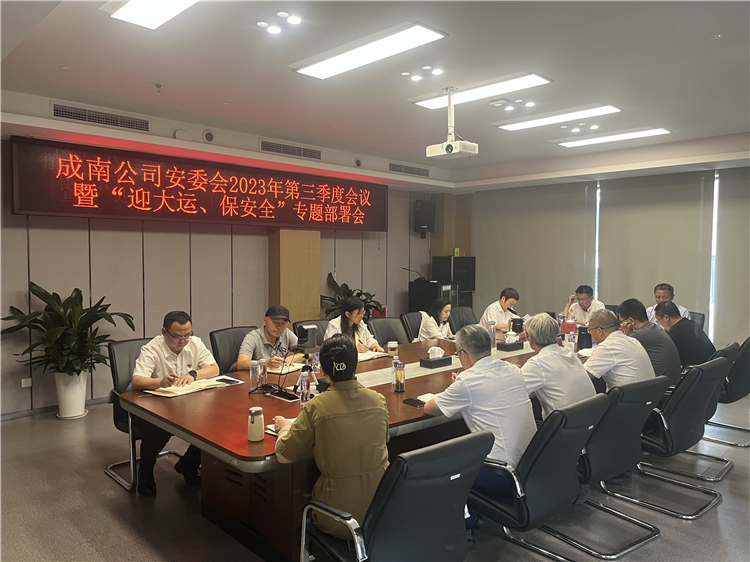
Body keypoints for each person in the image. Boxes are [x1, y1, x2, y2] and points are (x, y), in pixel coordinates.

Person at [423, 324, 536, 543]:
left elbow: (430, 408)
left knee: (443, 463)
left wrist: (460, 386)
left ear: (463, 354)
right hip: (532, 466)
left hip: (504, 476)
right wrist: (463, 385)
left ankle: (467, 522)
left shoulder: (468, 381)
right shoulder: (513, 370)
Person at [273, 334, 389, 538]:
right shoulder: (378, 401)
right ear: (355, 366)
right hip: (382, 509)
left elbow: (283, 456)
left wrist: (284, 428)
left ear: (323, 371)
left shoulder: (316, 407)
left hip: (338, 518)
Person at [131, 311, 219, 497]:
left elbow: (214, 368)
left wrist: (193, 374)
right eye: (178, 336)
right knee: (158, 430)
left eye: (188, 334)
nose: (184, 340)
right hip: (158, 406)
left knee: (212, 426)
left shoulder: (195, 343)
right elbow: (137, 381)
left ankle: (188, 464)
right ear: (164, 332)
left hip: (189, 403)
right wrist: (160, 382)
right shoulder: (152, 349)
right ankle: (145, 475)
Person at [521, 313, 596, 419]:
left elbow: (513, 390)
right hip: (591, 419)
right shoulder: (569, 353)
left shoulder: (537, 363)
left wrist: (514, 372)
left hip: (563, 423)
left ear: (531, 338)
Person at [583, 309, 655, 391]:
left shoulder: (607, 346)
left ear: (599, 331)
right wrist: (589, 358)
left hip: (627, 397)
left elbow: (583, 376)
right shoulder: (632, 340)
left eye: (590, 330)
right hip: (648, 395)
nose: (590, 334)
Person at [617, 298, 682, 384]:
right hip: (670, 384)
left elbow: (619, 353)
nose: (621, 325)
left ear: (631, 321)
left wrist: (626, 333)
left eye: (621, 322)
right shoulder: (653, 328)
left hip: (660, 387)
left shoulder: (640, 335)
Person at [236, 305, 304, 371]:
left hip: (279, 376)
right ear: (265, 321)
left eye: (283, 324)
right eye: (275, 323)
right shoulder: (253, 337)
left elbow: (308, 353)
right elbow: (241, 364)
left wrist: (292, 358)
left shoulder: (286, 333)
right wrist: (266, 363)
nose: (279, 327)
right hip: (260, 377)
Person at [654, 301, 715, 366]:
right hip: (712, 365)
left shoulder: (675, 332)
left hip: (698, 368)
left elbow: (664, 355)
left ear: (666, 318)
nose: (659, 323)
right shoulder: (692, 323)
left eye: (658, 320)